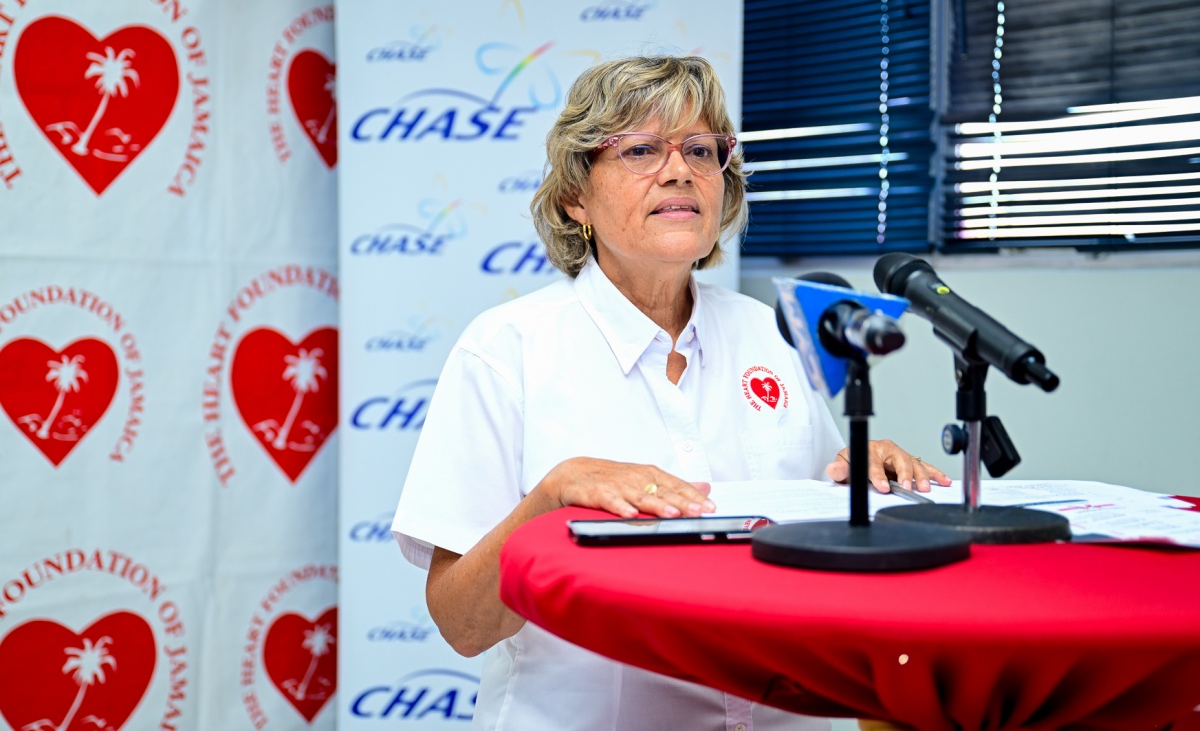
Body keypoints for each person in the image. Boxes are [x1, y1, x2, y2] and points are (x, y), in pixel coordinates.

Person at [391, 55, 949, 731]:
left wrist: (867, 476)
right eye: (642, 149)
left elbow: (820, 526)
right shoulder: (507, 350)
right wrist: (550, 498)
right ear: (577, 196)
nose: (680, 168)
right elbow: (462, 622)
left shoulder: (773, 334)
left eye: (701, 149)